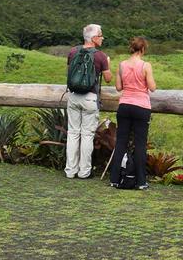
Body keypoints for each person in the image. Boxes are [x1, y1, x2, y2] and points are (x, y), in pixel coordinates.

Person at [109, 36, 157, 190]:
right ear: (143, 49)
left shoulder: (122, 65)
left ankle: (115, 179)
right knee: (140, 144)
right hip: (141, 106)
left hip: (124, 105)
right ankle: (141, 181)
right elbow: (152, 87)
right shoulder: (146, 65)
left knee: (121, 142)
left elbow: (118, 87)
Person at [65, 23, 112, 179]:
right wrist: (108, 64)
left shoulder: (72, 52)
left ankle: (70, 170)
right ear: (93, 38)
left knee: (72, 134)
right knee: (87, 135)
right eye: (100, 35)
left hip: (73, 96)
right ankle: (84, 172)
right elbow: (108, 79)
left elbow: (69, 74)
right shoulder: (101, 56)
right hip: (90, 98)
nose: (102, 38)